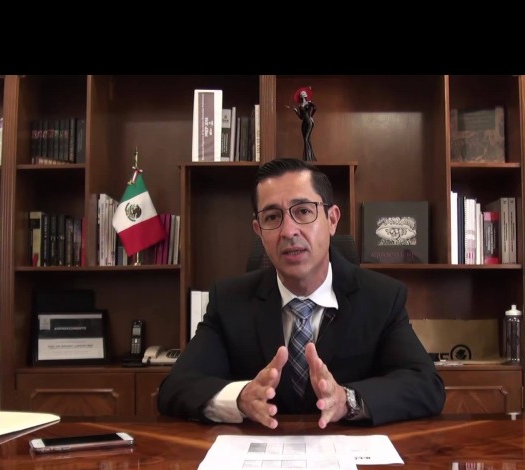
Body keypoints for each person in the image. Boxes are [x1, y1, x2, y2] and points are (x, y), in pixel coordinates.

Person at [157, 157, 445, 429]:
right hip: (259, 457)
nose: (288, 231)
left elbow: (426, 385)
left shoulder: (381, 297)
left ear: (332, 220)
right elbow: (175, 387)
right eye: (272, 217)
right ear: (258, 230)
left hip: (349, 458)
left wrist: (348, 401)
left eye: (304, 211)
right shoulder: (229, 301)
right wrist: (240, 399)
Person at [290, 88, 317, 161]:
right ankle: (309, 158)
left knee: (306, 139)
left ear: (305, 96)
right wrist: (295, 111)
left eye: (303, 95)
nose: (302, 97)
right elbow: (301, 117)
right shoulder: (300, 106)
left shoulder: (309, 103)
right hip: (304, 123)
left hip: (309, 122)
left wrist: (311, 116)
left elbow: (315, 108)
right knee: (306, 139)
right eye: (301, 96)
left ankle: (307, 158)